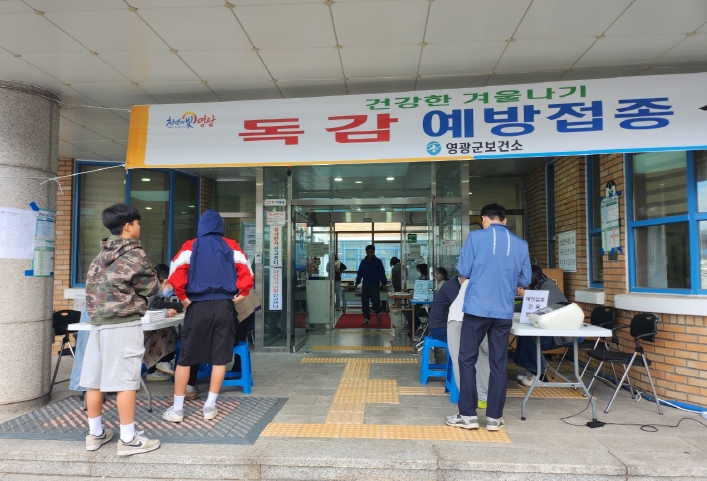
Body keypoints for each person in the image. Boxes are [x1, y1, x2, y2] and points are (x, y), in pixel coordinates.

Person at [80, 203, 161, 456]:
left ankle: (95, 434)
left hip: (98, 325)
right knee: (126, 381)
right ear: (128, 226)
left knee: (95, 382)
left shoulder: (99, 256)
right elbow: (151, 288)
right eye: (137, 223)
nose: (139, 227)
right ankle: (128, 439)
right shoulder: (135, 254)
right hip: (123, 324)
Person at [163, 209, 254, 423]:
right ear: (220, 226)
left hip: (198, 306)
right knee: (220, 357)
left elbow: (175, 273)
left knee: (185, 358)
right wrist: (243, 293)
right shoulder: (232, 245)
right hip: (224, 306)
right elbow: (246, 271)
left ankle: (177, 410)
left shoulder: (190, 246)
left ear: (201, 226)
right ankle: (209, 407)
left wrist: (183, 297)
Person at [447, 203, 531, 432]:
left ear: (484, 218)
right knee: (499, 363)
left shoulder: (475, 238)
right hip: (503, 311)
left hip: (476, 309)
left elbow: (463, 271)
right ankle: (494, 417)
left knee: (467, 359)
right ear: (504, 220)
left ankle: (468, 415)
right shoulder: (521, 244)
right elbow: (525, 279)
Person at [514, 265, 575, 386]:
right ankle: (531, 372)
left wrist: (526, 296)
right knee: (524, 336)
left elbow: (543, 307)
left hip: (560, 334)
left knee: (530, 339)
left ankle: (539, 375)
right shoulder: (538, 286)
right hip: (549, 329)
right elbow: (526, 306)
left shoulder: (548, 286)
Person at [446, 278, 489, 409]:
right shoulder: (498, 277)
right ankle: (483, 397)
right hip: (479, 317)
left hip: (459, 317)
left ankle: (469, 400)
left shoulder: (470, 276)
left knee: (460, 359)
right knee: (482, 356)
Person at [143, 263, 182, 381]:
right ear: (166, 280)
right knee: (168, 331)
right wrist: (171, 311)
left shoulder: (152, 287)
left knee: (168, 330)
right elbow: (154, 305)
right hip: (141, 327)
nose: (171, 288)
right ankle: (161, 363)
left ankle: (156, 368)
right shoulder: (153, 289)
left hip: (144, 325)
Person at [354, 245, 387, 325]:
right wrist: (357, 282)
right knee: (364, 302)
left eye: (371, 252)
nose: (369, 254)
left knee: (375, 301)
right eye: (368, 252)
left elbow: (382, 272)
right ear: (366, 252)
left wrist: (384, 282)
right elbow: (360, 273)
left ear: (374, 252)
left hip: (375, 285)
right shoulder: (363, 262)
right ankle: (367, 318)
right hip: (365, 285)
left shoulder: (378, 262)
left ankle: (378, 312)